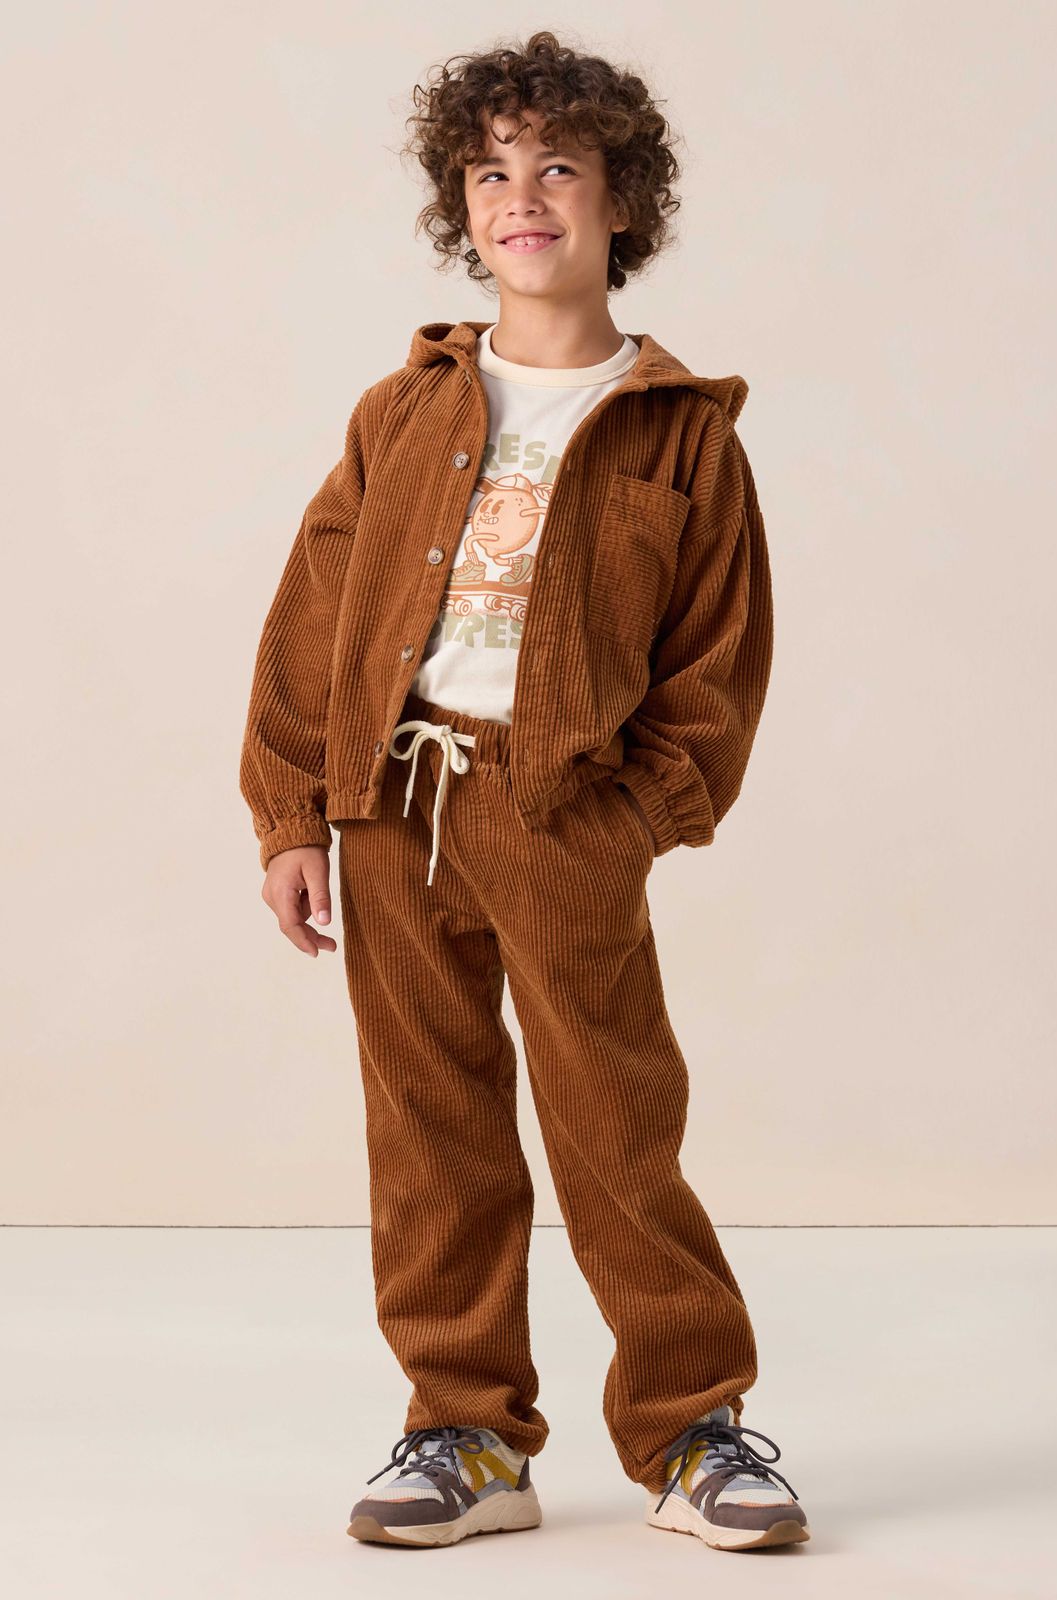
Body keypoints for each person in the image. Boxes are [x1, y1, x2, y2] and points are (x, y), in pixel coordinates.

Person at [239, 29, 809, 1555]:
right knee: (429, 1132)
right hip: (389, 807)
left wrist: (629, 825)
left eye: (559, 165)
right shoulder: (403, 408)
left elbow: (717, 668)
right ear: (461, 207)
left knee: (617, 1127)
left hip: (561, 819)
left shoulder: (681, 431)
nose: (522, 197)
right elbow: (313, 617)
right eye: (489, 172)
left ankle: (692, 1429)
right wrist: (294, 814)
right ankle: (466, 1431)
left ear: (624, 201)